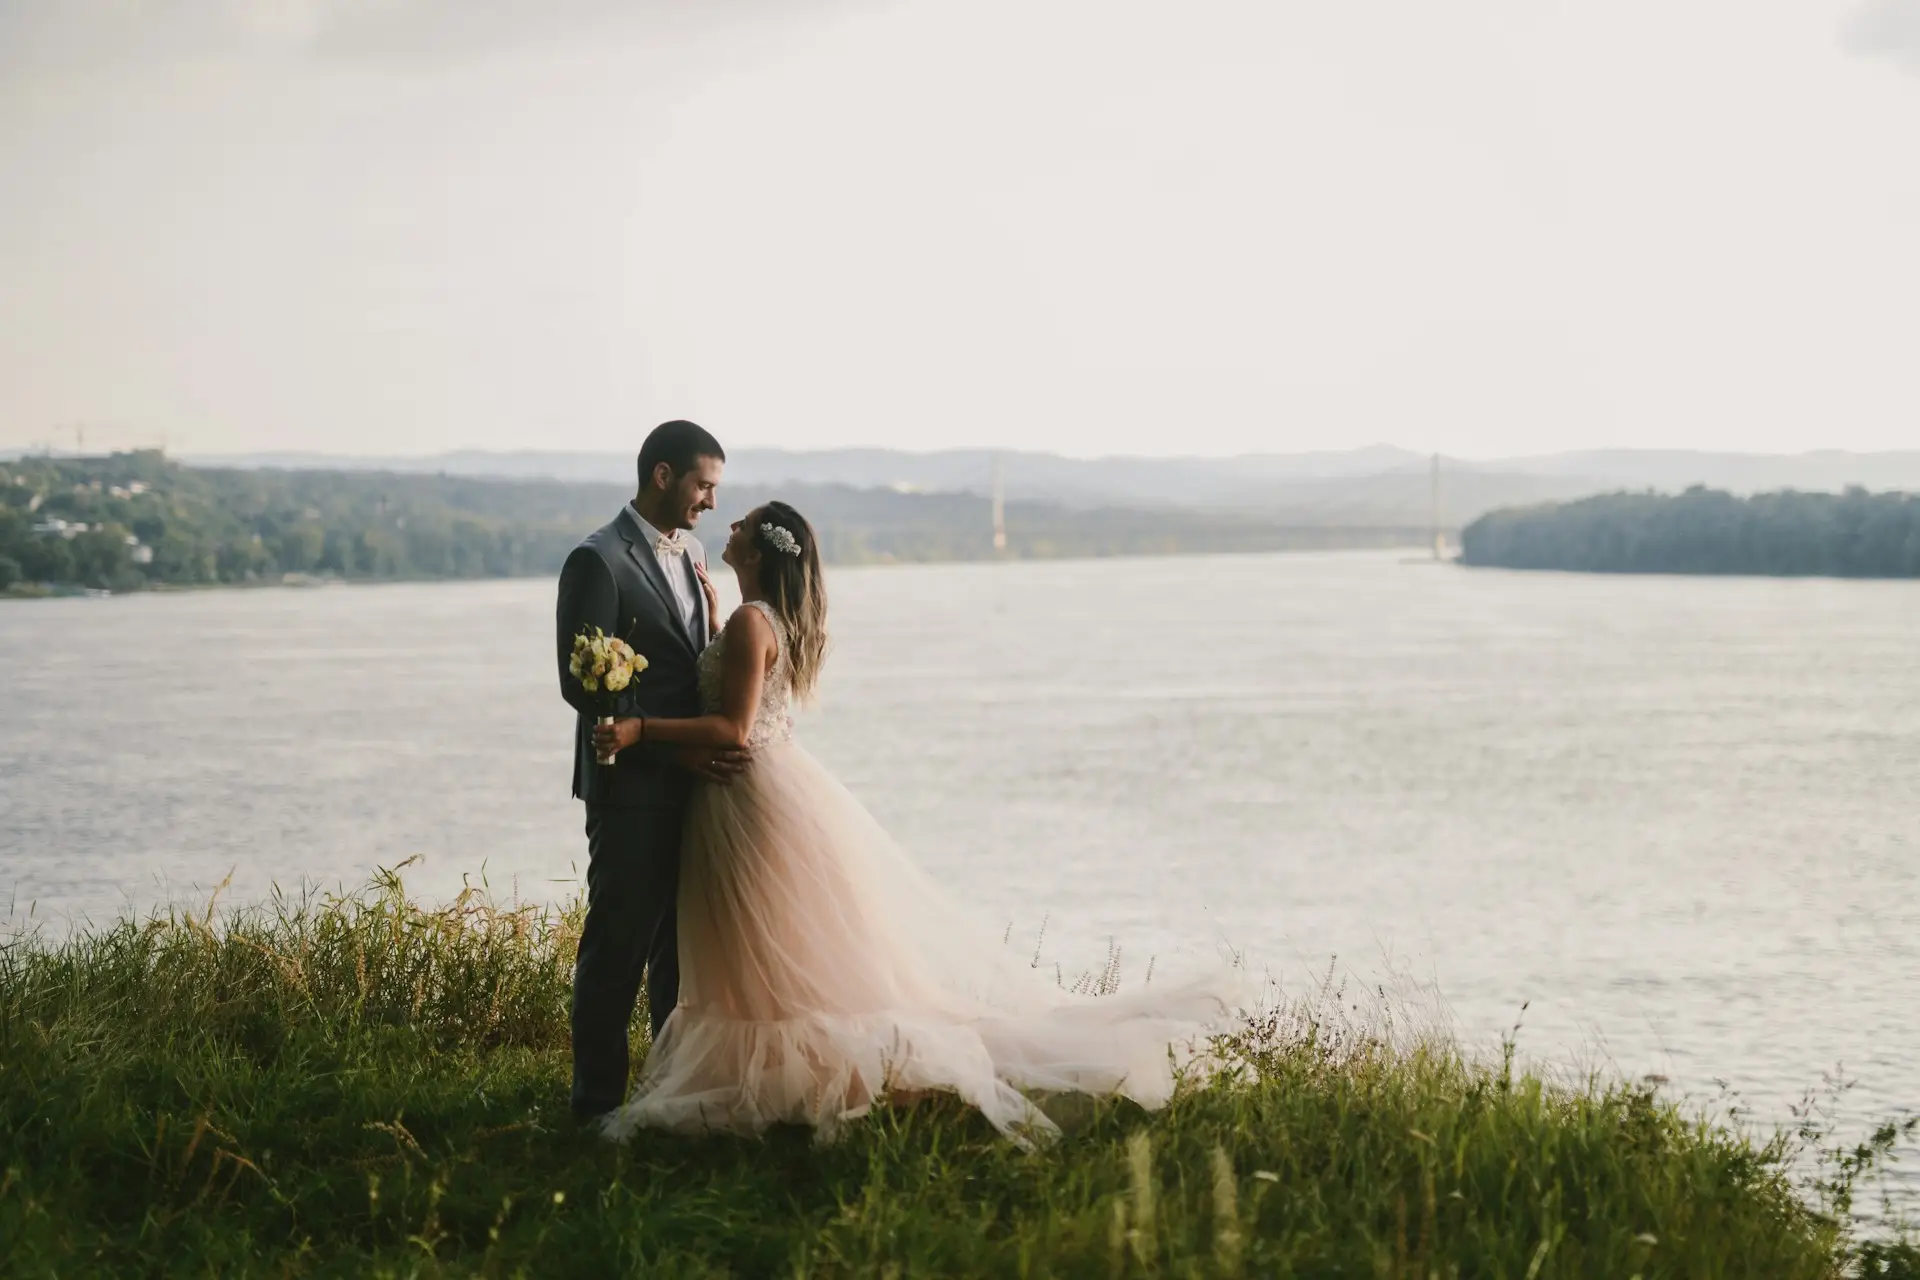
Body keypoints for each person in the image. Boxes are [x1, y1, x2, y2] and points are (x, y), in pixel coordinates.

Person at [593, 501, 1246, 1145]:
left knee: (765, 957)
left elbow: (733, 727)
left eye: (741, 524)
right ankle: (786, 1088)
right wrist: (709, 615)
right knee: (776, 955)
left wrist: (639, 729)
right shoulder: (763, 620)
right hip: (768, 789)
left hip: (745, 800)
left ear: (759, 552)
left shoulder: (749, 624)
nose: (727, 525)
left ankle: (796, 1088)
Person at [554, 419, 748, 1122]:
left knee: (679, 952)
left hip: (694, 785)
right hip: (630, 784)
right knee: (618, 947)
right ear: (662, 476)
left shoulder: (694, 555)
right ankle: (596, 1106)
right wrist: (670, 746)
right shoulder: (597, 560)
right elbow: (584, 687)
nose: (710, 502)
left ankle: (669, 1098)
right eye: (704, 485)